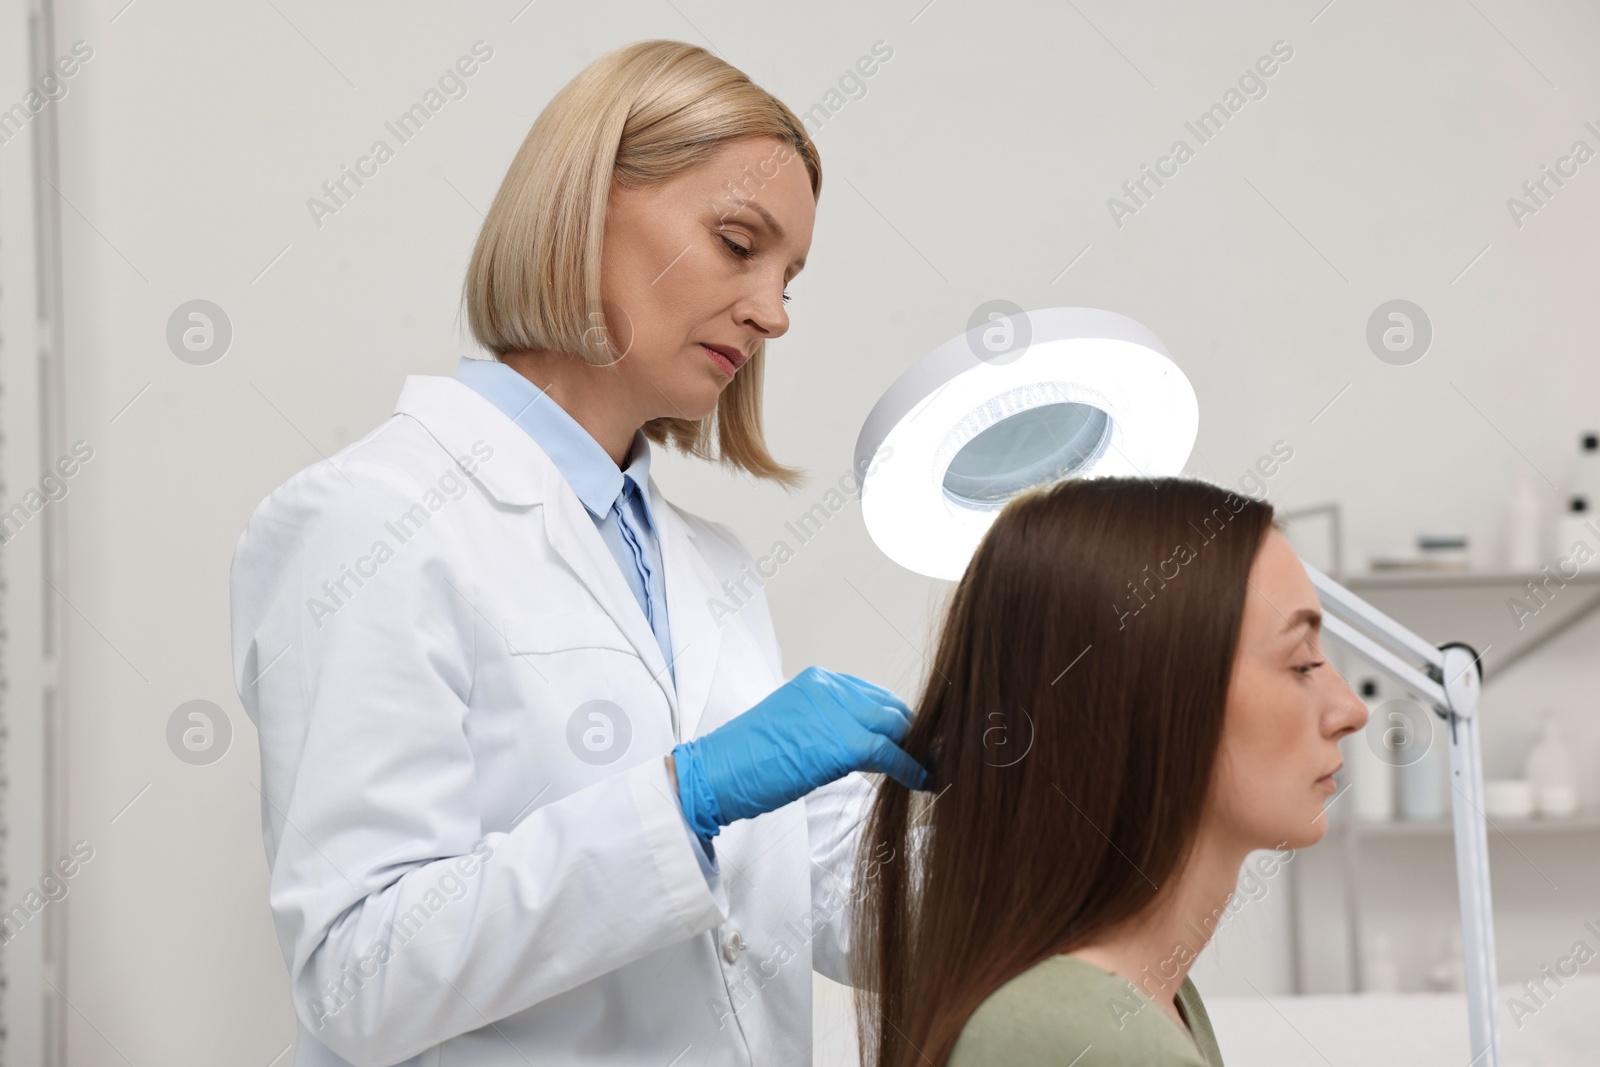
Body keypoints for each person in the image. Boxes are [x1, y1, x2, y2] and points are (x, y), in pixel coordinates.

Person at [229, 39, 926, 1067]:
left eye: (790, 277)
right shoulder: (368, 519)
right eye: (739, 242)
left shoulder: (707, 564)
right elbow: (359, 974)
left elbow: (817, 899)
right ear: (587, 202)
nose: (772, 312)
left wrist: (1047, 806)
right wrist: (681, 797)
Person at [849, 475, 1369, 1066]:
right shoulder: (1072, 1034)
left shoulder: (1151, 1003)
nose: (1350, 710)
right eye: (1302, 663)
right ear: (1147, 698)